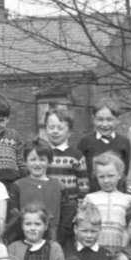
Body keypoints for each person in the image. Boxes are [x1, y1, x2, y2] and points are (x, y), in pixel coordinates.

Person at [42, 105, 88, 247]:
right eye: (51, 127)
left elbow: (83, 185)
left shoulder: (76, 155)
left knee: (64, 240)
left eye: (60, 128)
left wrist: (80, 208)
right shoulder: (42, 154)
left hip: (69, 207)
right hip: (46, 204)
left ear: (69, 132)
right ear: (45, 129)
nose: (55, 131)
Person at [6, 138, 62, 245]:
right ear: (25, 161)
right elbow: (14, 216)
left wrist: (59, 238)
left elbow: (65, 216)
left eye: (42, 159)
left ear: (49, 161)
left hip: (52, 240)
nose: (37, 164)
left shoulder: (58, 186)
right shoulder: (18, 186)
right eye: (33, 159)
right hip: (24, 239)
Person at [76, 99, 131, 194]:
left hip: (117, 193)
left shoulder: (124, 142)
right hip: (92, 193)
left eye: (109, 120)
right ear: (93, 119)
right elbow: (81, 170)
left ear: (117, 120)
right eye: (100, 119)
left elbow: (125, 171)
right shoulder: (86, 142)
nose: (104, 124)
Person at [84, 153, 131, 251]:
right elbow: (85, 225)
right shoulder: (90, 199)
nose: (106, 180)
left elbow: (130, 226)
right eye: (101, 177)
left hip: (121, 249)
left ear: (119, 175)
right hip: (95, 249)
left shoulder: (128, 200)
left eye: (111, 176)